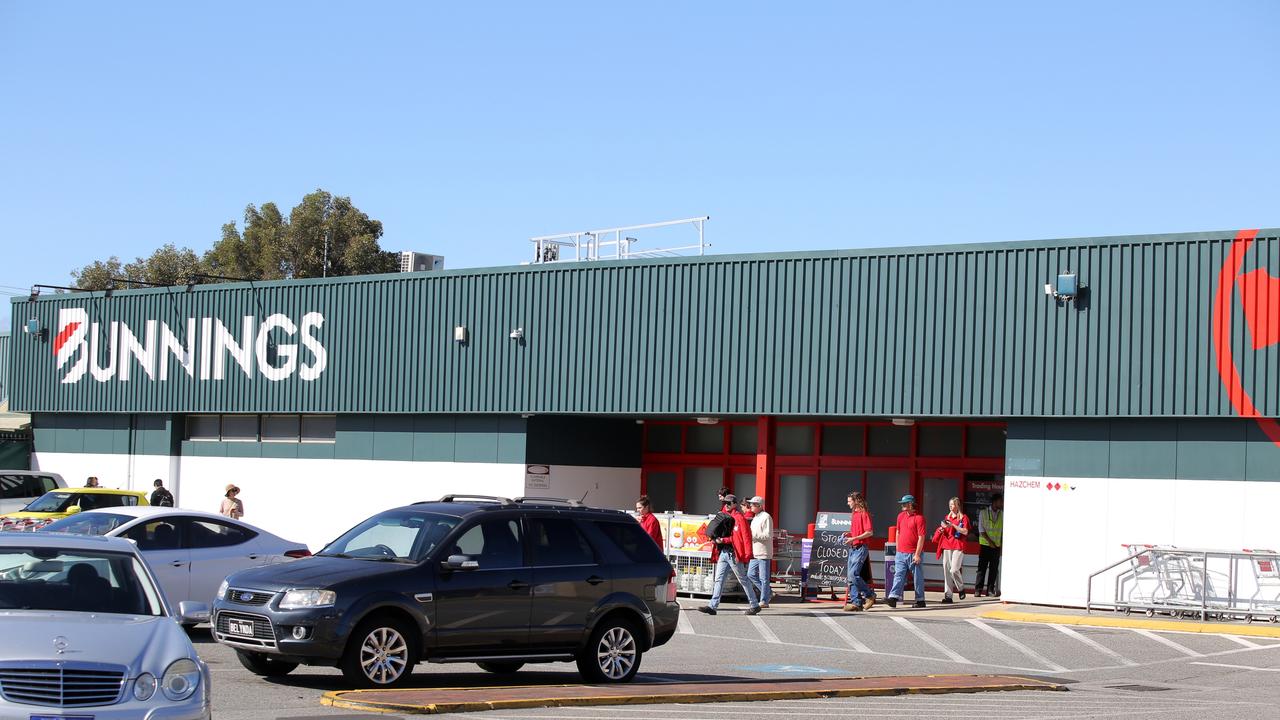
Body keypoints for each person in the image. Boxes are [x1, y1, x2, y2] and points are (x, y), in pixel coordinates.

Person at [698, 493, 760, 616]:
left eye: (728, 503)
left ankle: (754, 604)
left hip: (733, 554)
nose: (726, 505)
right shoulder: (724, 516)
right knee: (719, 579)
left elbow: (744, 537)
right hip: (724, 552)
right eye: (724, 503)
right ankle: (712, 606)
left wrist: (747, 554)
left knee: (742, 579)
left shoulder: (739, 518)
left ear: (734, 504)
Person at [886, 494, 927, 608]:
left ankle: (920, 600)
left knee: (917, 577)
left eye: (904, 503)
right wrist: (898, 548)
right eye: (902, 504)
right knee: (898, 575)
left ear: (911, 504)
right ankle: (893, 597)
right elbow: (898, 532)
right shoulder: (900, 516)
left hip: (914, 553)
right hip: (901, 553)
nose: (902, 505)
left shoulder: (919, 518)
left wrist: (918, 554)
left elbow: (921, 537)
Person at [843, 491, 877, 611]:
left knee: (853, 574)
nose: (848, 503)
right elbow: (856, 532)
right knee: (850, 577)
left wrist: (854, 538)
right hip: (853, 548)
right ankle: (856, 603)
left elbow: (869, 532)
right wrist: (849, 534)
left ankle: (870, 595)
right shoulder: (854, 514)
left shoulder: (864, 514)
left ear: (856, 501)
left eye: (849, 501)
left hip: (861, 548)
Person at [937, 497, 969, 603]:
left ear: (957, 505)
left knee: (954, 569)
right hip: (947, 545)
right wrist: (942, 529)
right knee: (946, 571)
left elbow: (965, 531)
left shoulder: (963, 518)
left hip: (958, 545)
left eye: (952, 505)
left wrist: (953, 525)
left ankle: (961, 588)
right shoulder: (947, 517)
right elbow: (945, 531)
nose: (950, 507)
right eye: (949, 505)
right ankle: (948, 596)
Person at [746, 496, 774, 609]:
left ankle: (764, 600)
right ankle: (767, 592)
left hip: (764, 551)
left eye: (753, 504)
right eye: (751, 504)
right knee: (750, 574)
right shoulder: (755, 517)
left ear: (759, 506)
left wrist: (753, 536)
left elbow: (768, 535)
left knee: (764, 577)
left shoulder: (766, 517)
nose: (751, 506)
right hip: (755, 550)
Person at [976, 493, 1004, 597]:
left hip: (996, 546)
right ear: (995, 502)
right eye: (1000, 501)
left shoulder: (1002, 514)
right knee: (981, 568)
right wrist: (990, 542)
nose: (1002, 503)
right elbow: (981, 530)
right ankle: (978, 589)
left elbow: (1003, 531)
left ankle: (990, 590)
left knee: (993, 569)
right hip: (985, 545)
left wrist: (1000, 545)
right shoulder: (983, 513)